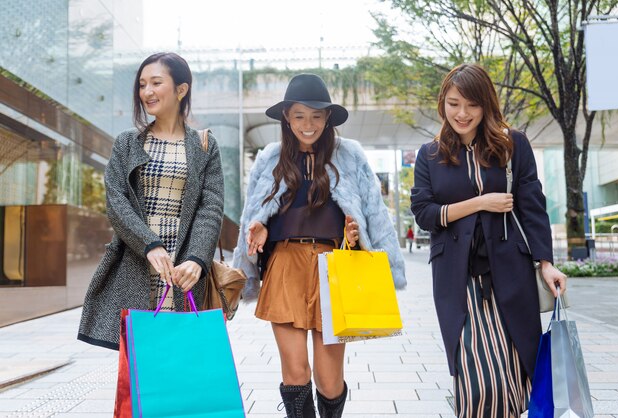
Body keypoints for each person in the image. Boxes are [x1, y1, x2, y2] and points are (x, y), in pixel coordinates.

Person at [232, 73, 406, 418]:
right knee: (296, 373)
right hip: (283, 265)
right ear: (287, 117)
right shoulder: (270, 158)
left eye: (315, 116)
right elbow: (254, 214)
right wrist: (261, 230)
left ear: (328, 118)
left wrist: (357, 239)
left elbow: (373, 213)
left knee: (329, 380)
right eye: (299, 116)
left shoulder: (350, 156)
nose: (307, 125)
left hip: (333, 268)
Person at [410, 63, 566, 417]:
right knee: (477, 380)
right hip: (456, 277)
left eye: (472, 105)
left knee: (513, 374)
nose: (462, 114)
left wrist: (546, 262)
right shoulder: (430, 155)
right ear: (442, 104)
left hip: (509, 273)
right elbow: (424, 213)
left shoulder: (513, 145)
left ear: (486, 105)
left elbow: (532, 205)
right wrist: (480, 203)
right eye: (453, 104)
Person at [78, 52, 224, 349]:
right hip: (138, 260)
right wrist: (149, 244)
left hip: (182, 267)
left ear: (181, 89)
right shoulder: (128, 142)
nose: (147, 91)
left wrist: (197, 259)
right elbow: (116, 201)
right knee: (139, 360)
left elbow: (211, 208)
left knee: (181, 358)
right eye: (142, 84)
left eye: (156, 83)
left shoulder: (204, 145)